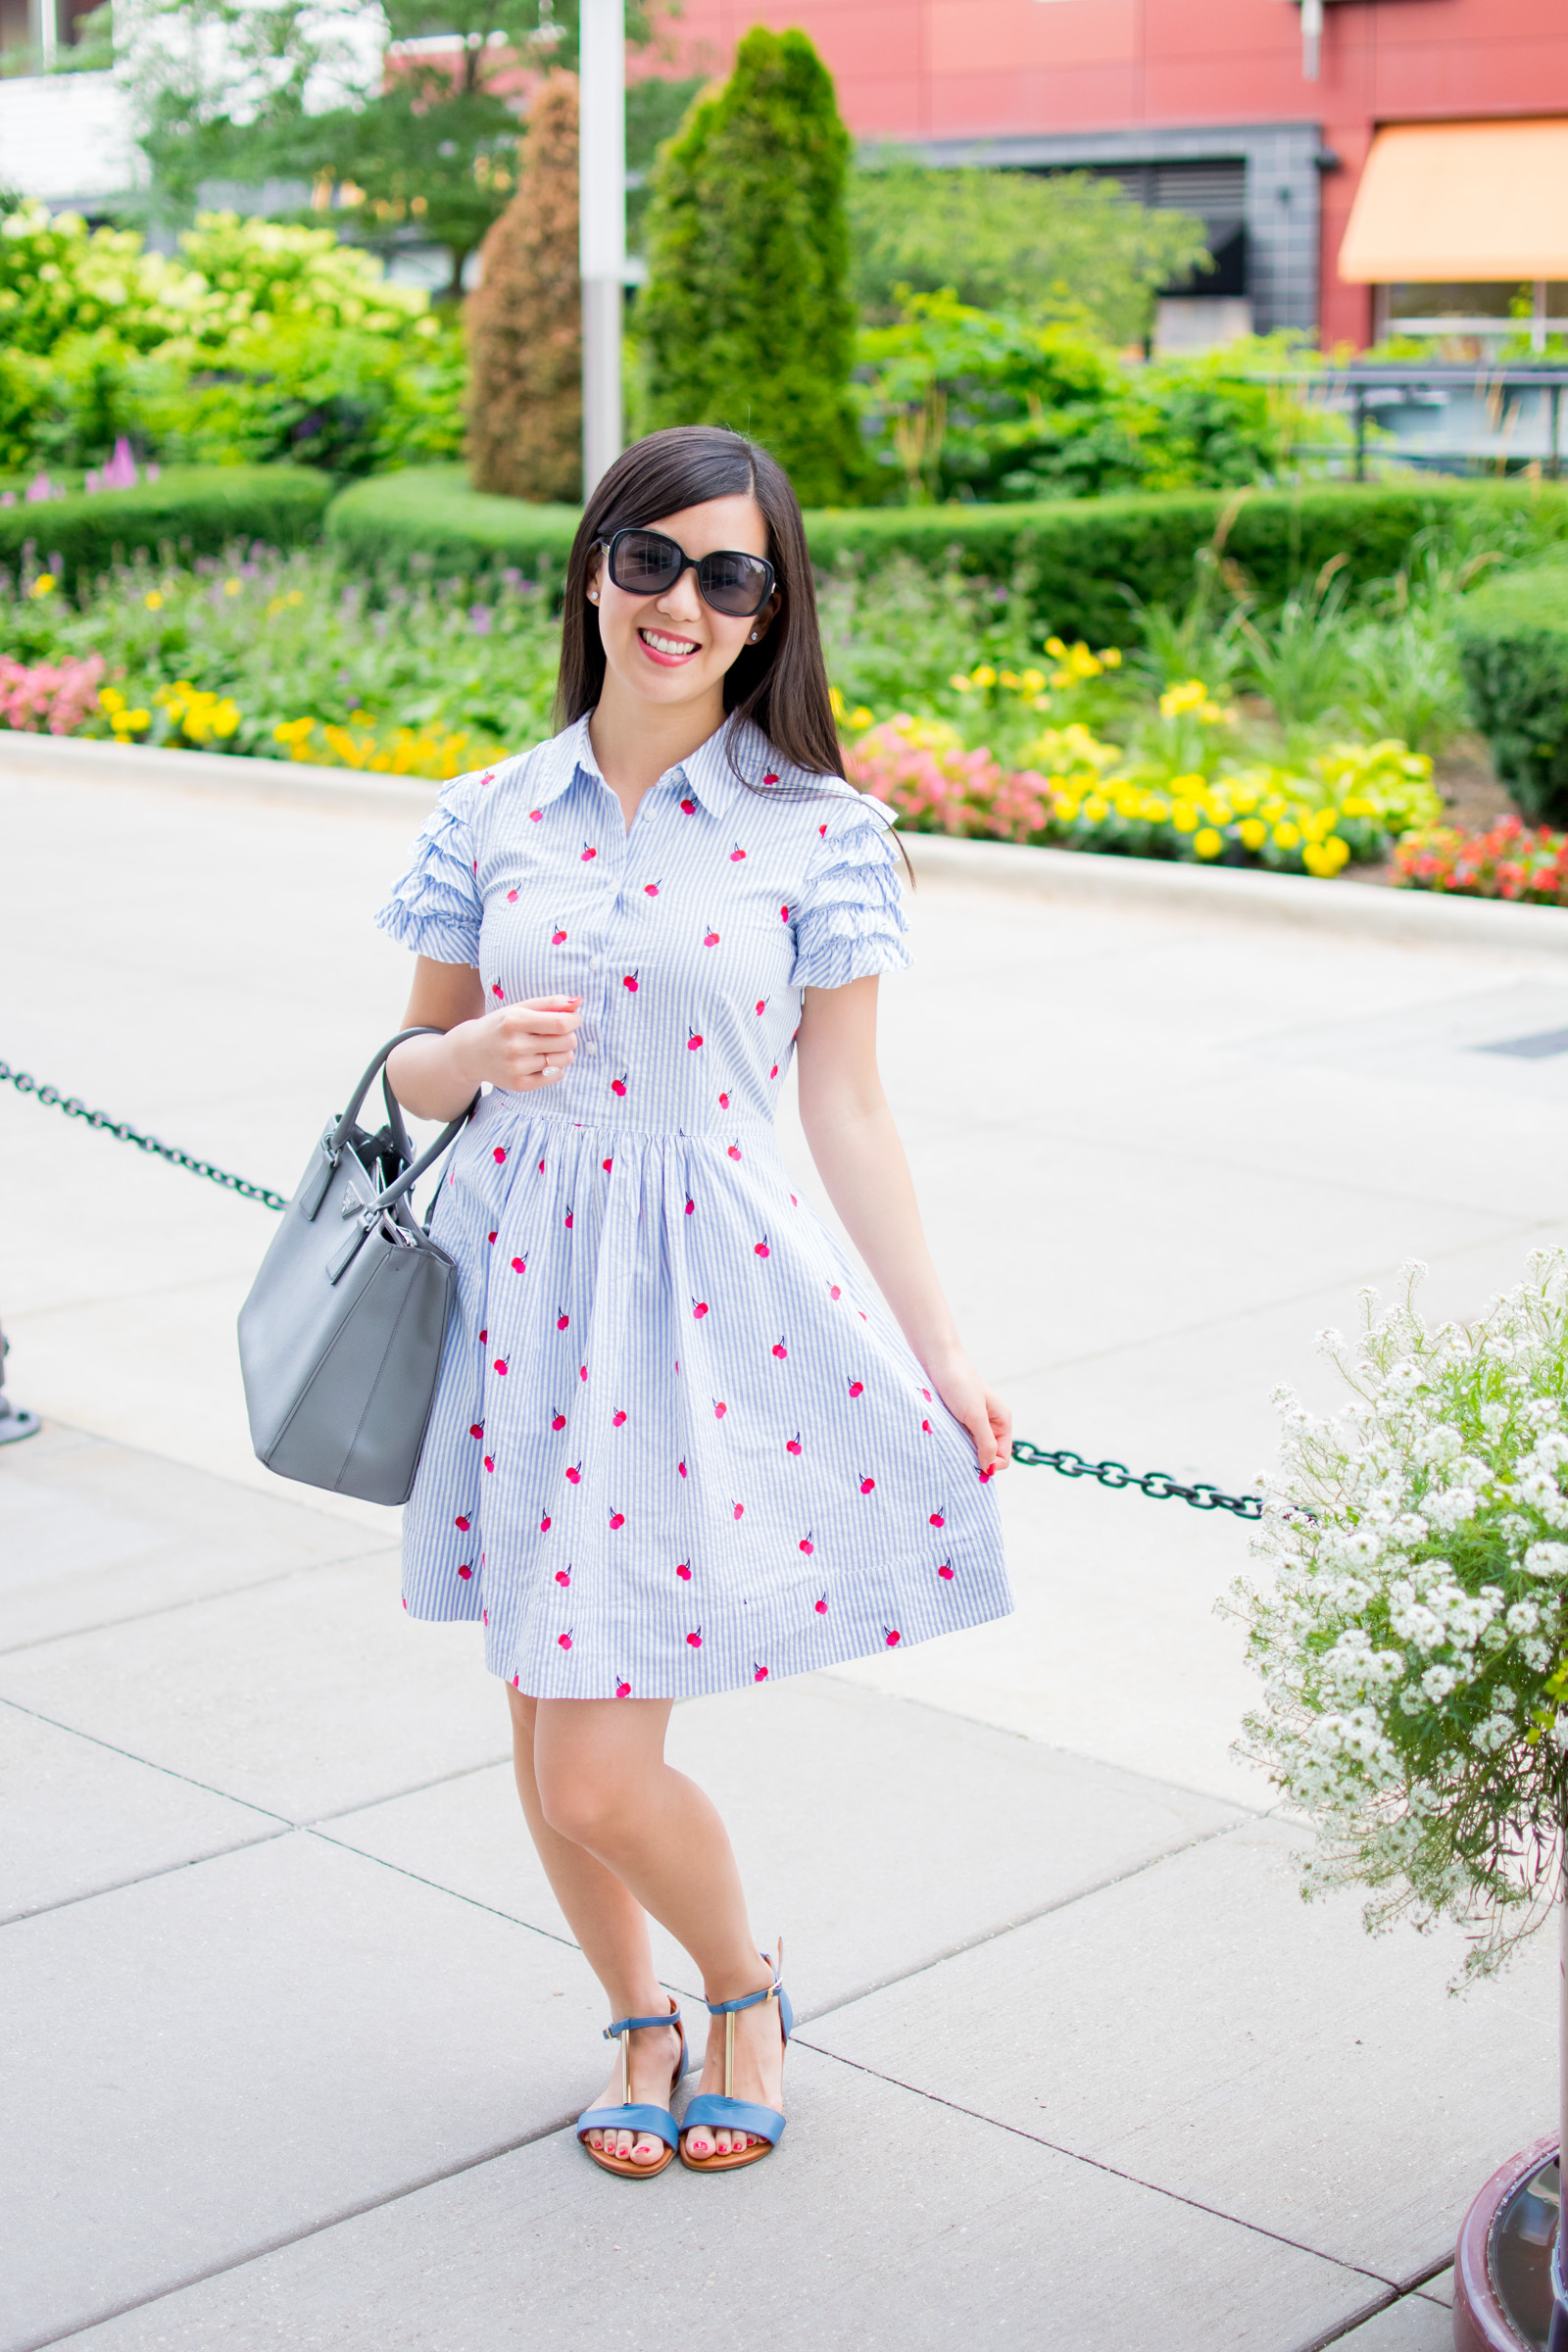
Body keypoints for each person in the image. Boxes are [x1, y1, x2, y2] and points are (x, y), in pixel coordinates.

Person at [376, 425, 1014, 2179]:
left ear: (766, 611)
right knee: (536, 1705)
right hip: (515, 1291)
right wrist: (474, 1052)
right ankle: (634, 2022)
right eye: (651, 561)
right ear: (594, 570)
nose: (682, 603)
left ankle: (743, 1988)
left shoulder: (822, 831)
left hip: (690, 1310)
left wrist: (942, 1347)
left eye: (727, 576)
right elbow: (409, 1069)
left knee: (593, 1761)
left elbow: (850, 1107)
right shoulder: (490, 809)